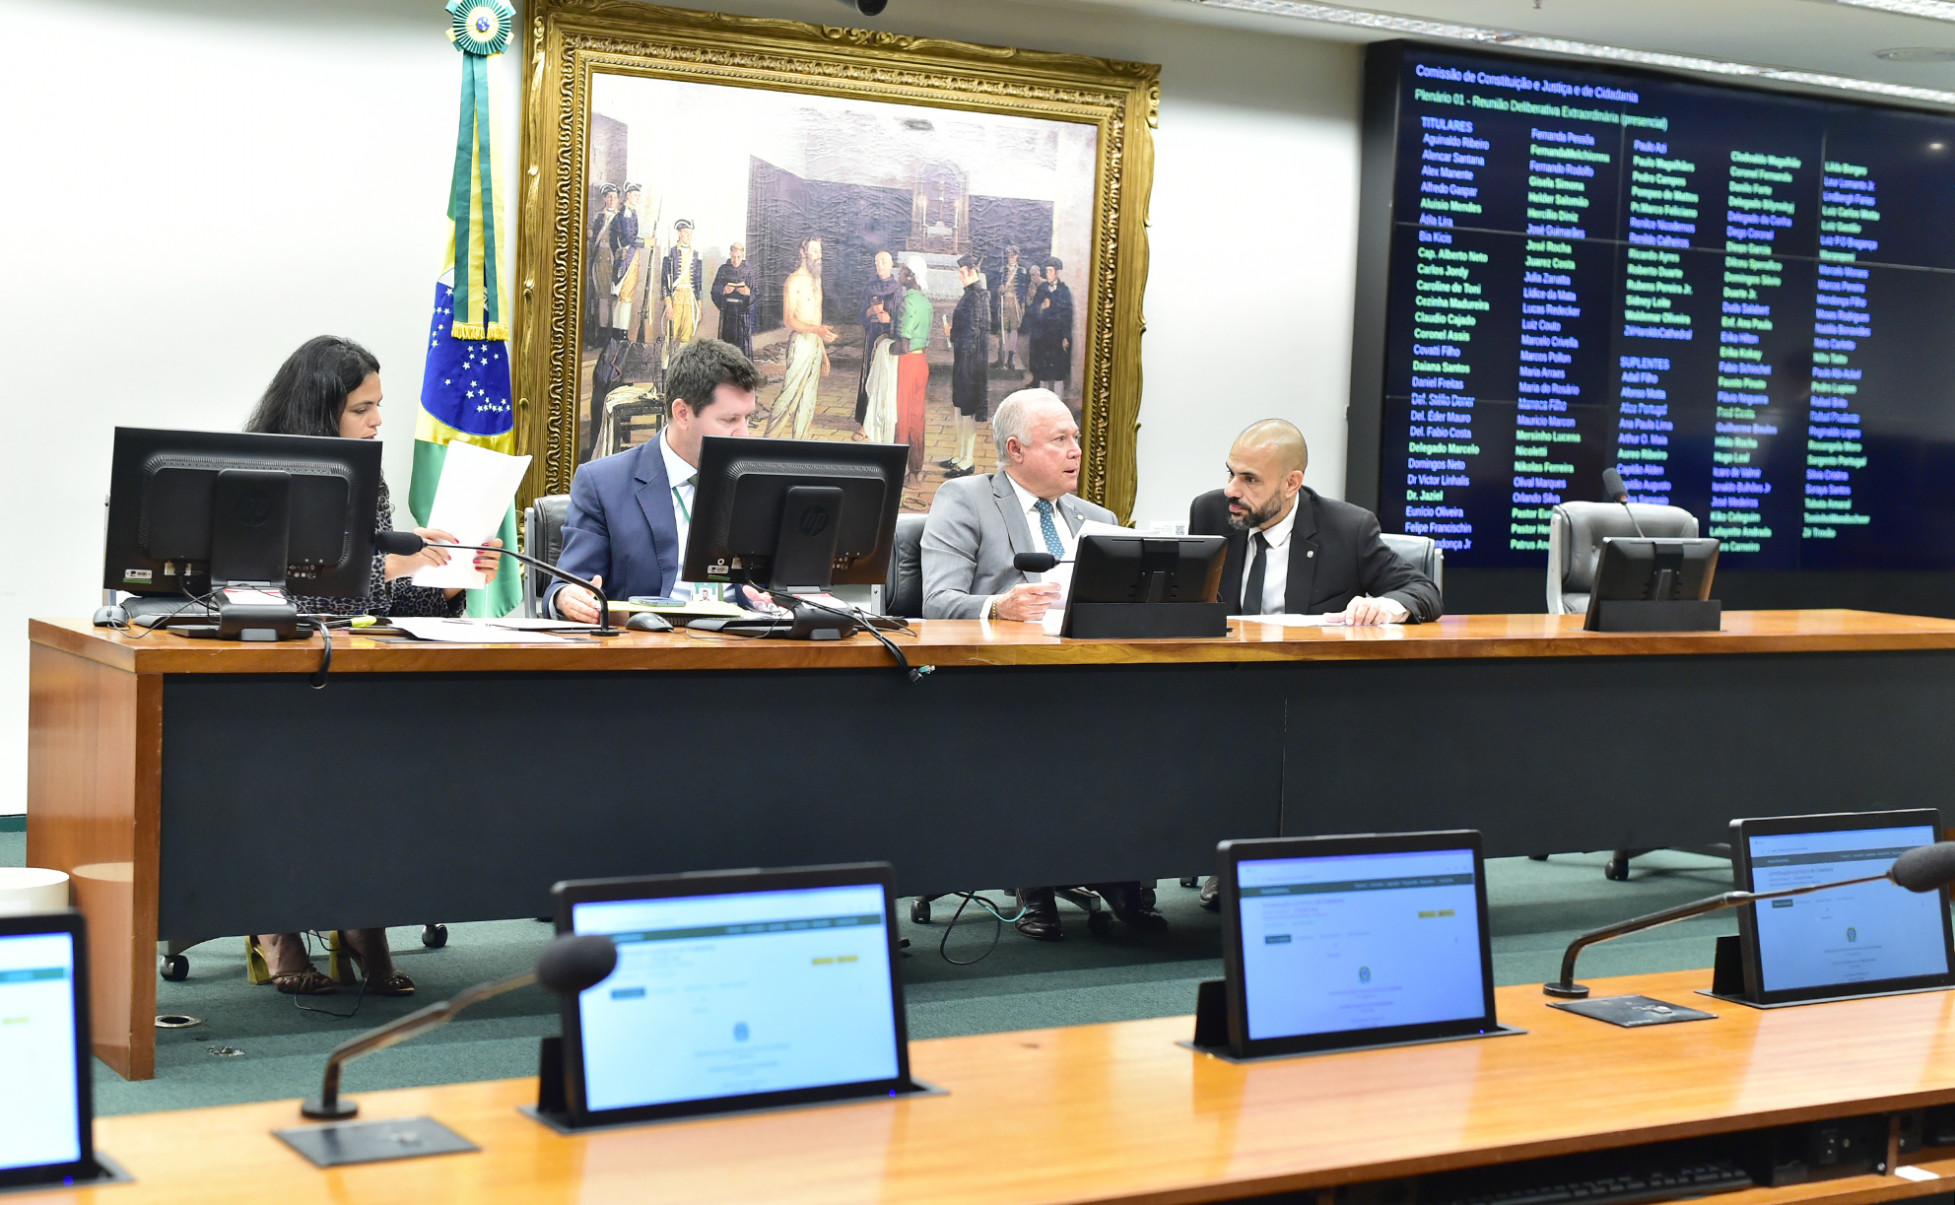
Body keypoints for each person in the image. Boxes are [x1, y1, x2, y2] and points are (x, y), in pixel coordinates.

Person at [240, 334, 504, 995]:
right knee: (299, 766)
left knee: (388, 764)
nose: (378, 421)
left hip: (352, 672)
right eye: (363, 408)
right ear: (321, 408)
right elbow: (274, 591)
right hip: (271, 681)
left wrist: (447, 582)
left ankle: (363, 917)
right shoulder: (261, 475)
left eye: (379, 406)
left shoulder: (371, 481)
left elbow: (373, 602)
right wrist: (394, 563)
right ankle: (276, 925)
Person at [919, 387, 1166, 940]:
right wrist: (998, 606)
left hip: (1087, 683)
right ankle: (1034, 880)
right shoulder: (964, 499)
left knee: (1145, 726)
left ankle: (1120, 871)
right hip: (996, 685)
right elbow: (935, 601)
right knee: (1040, 731)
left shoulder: (1095, 517)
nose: (1075, 450)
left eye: (1075, 438)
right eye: (1060, 440)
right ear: (1016, 449)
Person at [1187, 418, 1443, 909]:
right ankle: (1228, 858)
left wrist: (1389, 606)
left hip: (1310, 694)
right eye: (1231, 473)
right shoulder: (1211, 512)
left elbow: (1422, 590)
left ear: (1292, 483)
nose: (1231, 490)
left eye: (1249, 480)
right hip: (1225, 684)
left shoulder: (1347, 527)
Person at [549, 339, 762, 623]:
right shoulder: (603, 484)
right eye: (730, 420)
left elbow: (780, 582)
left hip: (747, 645)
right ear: (683, 413)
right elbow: (567, 588)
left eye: (748, 418)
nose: (743, 434)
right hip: (650, 647)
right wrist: (567, 598)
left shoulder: (756, 482)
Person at [764, 235, 838, 441]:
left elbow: (818, 319)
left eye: (820, 252)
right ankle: (767, 445)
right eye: (814, 251)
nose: (818, 256)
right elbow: (789, 320)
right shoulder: (793, 280)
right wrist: (816, 331)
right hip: (801, 343)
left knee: (808, 399)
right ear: (803, 253)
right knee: (789, 395)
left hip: (814, 344)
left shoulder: (817, 280)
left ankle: (800, 446)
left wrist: (824, 355)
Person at [940, 253, 990, 478]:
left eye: (963, 273)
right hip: (964, 358)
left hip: (971, 362)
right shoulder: (970, 295)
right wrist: (954, 333)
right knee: (960, 407)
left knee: (968, 409)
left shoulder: (978, 297)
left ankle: (967, 461)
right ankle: (959, 456)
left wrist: (953, 333)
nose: (960, 277)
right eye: (959, 273)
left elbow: (972, 333)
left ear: (973, 272)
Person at [855, 250, 903, 438]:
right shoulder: (869, 287)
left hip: (888, 340)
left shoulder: (898, 289)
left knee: (885, 381)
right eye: (877, 261)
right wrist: (871, 311)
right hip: (872, 337)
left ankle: (883, 419)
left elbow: (901, 319)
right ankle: (865, 423)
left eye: (883, 261)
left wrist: (889, 319)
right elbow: (860, 315)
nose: (879, 264)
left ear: (892, 264)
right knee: (869, 377)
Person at [893, 262, 932, 479]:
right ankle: (915, 471)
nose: (899, 274)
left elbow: (903, 344)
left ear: (911, 276)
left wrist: (885, 347)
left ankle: (897, 471)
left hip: (907, 363)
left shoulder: (908, 301)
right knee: (917, 418)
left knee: (902, 417)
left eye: (903, 272)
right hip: (921, 363)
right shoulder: (926, 303)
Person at [1026, 256, 1073, 397]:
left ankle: (1058, 403)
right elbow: (1033, 311)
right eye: (1046, 271)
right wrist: (1041, 307)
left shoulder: (1064, 291)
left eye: (1050, 271)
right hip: (1044, 338)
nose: (1048, 274)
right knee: (1044, 373)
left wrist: (1066, 337)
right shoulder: (1042, 289)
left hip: (1057, 338)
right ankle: (1043, 401)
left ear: (1057, 272)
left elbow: (1067, 316)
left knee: (1058, 373)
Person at [661, 219, 705, 354]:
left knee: (686, 337)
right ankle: (666, 370)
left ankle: (681, 369)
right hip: (676, 298)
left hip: (690, 300)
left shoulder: (696, 255)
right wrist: (668, 305)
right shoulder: (670, 253)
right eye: (685, 232)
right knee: (670, 336)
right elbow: (664, 282)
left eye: (690, 233)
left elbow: (698, 283)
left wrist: (699, 307)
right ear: (679, 233)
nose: (688, 236)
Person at [585, 183, 621, 344]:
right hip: (600, 260)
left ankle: (614, 332)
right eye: (608, 196)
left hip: (616, 260)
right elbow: (592, 236)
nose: (611, 199)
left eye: (614, 196)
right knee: (602, 297)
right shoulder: (599, 216)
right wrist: (589, 233)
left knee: (615, 296)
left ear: (618, 199)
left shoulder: (620, 216)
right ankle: (602, 332)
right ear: (605, 199)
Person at [710, 241, 756, 359]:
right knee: (727, 345)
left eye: (738, 257)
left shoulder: (748, 271)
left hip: (742, 314)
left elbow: (757, 293)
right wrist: (723, 290)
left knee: (742, 346)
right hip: (728, 314)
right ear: (730, 254)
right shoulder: (723, 269)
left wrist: (748, 292)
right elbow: (714, 290)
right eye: (733, 257)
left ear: (743, 255)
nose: (735, 260)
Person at [992, 244, 1031, 371]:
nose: (1011, 257)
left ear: (1017, 256)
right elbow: (996, 286)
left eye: (1013, 255)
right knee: (1002, 331)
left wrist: (1023, 305)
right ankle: (1001, 358)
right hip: (1003, 303)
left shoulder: (1021, 271)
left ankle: (1010, 360)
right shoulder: (1002, 270)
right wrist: (999, 289)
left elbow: (1023, 289)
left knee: (1013, 331)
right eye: (1009, 255)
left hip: (1015, 304)